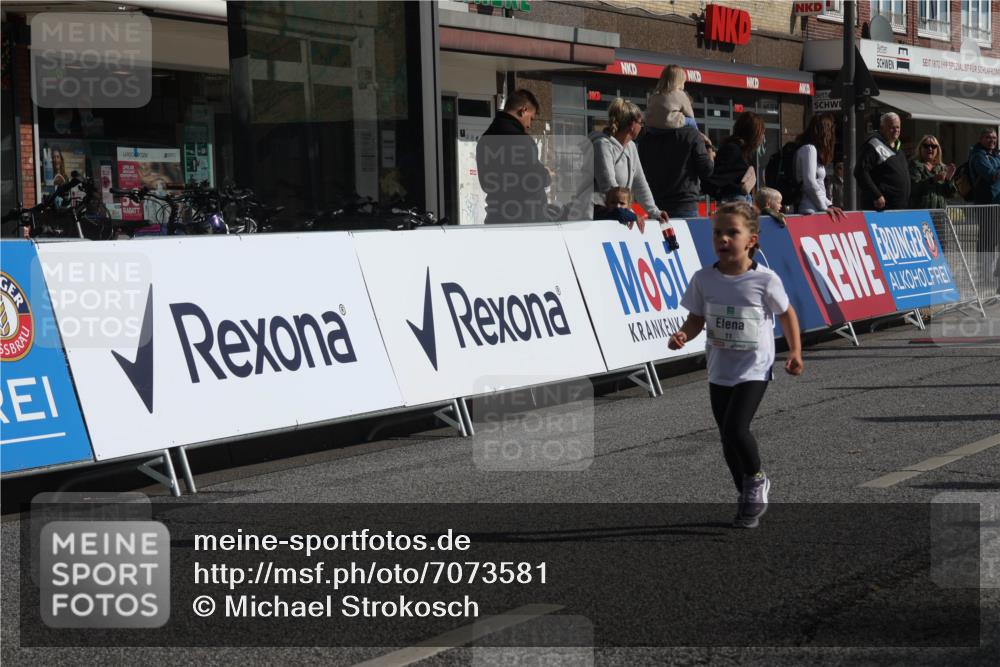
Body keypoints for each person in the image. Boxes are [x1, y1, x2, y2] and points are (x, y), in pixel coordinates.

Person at [668, 201, 803, 528]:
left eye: (732, 232)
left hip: (754, 367)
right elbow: (696, 318)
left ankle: (757, 478)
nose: (723, 239)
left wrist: (796, 352)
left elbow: (786, 314)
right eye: (718, 233)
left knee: (735, 428)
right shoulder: (703, 279)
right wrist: (682, 335)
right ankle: (745, 495)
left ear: (751, 240)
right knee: (726, 438)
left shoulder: (764, 280)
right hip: (719, 368)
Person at [476, 89, 553, 224]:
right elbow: (531, 180)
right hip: (525, 220)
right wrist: (546, 175)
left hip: (496, 217)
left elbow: (486, 184)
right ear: (523, 110)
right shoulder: (520, 140)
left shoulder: (484, 140)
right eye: (531, 118)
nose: (529, 125)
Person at [591, 98, 667, 232]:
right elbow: (609, 187)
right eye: (641, 123)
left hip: (619, 216)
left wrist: (654, 212)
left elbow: (640, 183)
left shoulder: (631, 146)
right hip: (598, 218)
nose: (641, 127)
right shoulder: (602, 145)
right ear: (632, 125)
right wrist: (630, 213)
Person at [638, 106, 714, 219]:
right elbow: (707, 171)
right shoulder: (691, 134)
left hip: (656, 206)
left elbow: (641, 173)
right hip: (684, 205)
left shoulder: (646, 139)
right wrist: (708, 147)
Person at [855, 112, 910, 211]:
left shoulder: (898, 148)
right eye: (892, 127)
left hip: (899, 208)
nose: (896, 130)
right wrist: (876, 195)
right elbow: (860, 171)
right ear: (882, 128)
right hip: (881, 210)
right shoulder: (873, 145)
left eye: (898, 127)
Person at [967, 128, 1000, 291]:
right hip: (986, 205)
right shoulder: (978, 155)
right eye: (988, 137)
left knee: (995, 241)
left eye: (994, 137)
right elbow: (991, 175)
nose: (992, 140)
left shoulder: (996, 154)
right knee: (988, 241)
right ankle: (984, 276)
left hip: (997, 204)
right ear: (981, 138)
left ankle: (995, 274)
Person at [708, 111, 764, 204]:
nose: (761, 137)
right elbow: (717, 179)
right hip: (735, 200)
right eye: (760, 133)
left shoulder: (742, 150)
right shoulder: (733, 149)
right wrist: (736, 189)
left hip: (739, 199)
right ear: (753, 133)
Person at [795, 114, 838, 214]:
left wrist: (829, 204)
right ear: (825, 131)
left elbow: (818, 185)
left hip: (815, 207)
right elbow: (810, 182)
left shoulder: (812, 150)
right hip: (810, 208)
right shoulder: (809, 149)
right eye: (831, 130)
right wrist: (824, 207)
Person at [909, 134, 956, 210]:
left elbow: (951, 194)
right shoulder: (914, 165)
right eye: (926, 146)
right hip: (921, 214)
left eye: (934, 146)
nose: (930, 148)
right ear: (920, 148)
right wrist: (933, 179)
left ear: (937, 150)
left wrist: (948, 179)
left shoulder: (942, 168)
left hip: (939, 215)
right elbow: (914, 188)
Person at [646, 65, 696, 131]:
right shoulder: (680, 94)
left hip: (653, 127)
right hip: (670, 123)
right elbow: (690, 114)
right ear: (680, 82)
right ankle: (699, 136)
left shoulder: (654, 95)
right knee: (692, 121)